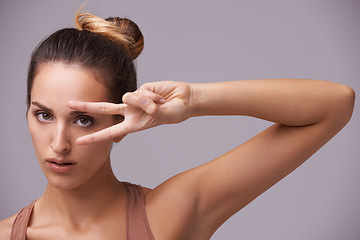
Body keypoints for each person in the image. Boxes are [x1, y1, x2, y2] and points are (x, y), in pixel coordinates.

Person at [0, 8, 355, 240]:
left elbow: (335, 103)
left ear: (121, 120)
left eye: (84, 119)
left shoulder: (169, 215)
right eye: (44, 115)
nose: (59, 143)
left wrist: (195, 100)